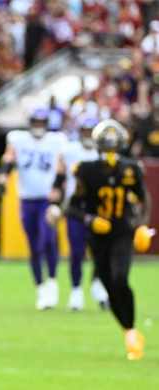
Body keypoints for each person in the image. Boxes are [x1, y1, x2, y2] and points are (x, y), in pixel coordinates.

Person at [67, 119, 153, 361]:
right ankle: (129, 329)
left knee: (119, 278)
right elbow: (72, 206)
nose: (110, 150)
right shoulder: (87, 169)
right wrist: (89, 220)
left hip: (122, 231)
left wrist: (142, 225)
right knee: (108, 284)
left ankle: (131, 332)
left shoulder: (130, 169)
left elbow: (144, 198)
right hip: (98, 235)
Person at [0, 108, 67, 310]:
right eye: (35, 122)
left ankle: (52, 281)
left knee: (47, 239)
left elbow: (61, 166)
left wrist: (57, 187)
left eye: (41, 122)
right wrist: (4, 175)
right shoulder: (18, 139)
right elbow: (9, 158)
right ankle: (41, 287)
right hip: (27, 199)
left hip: (47, 198)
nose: (38, 126)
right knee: (34, 245)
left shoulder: (56, 140)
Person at [59, 117, 108, 310]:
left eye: (91, 132)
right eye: (85, 131)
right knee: (77, 251)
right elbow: (60, 174)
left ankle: (97, 283)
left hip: (99, 209)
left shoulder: (104, 154)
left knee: (101, 251)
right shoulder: (70, 151)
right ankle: (76, 290)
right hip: (76, 208)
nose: (87, 135)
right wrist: (56, 201)